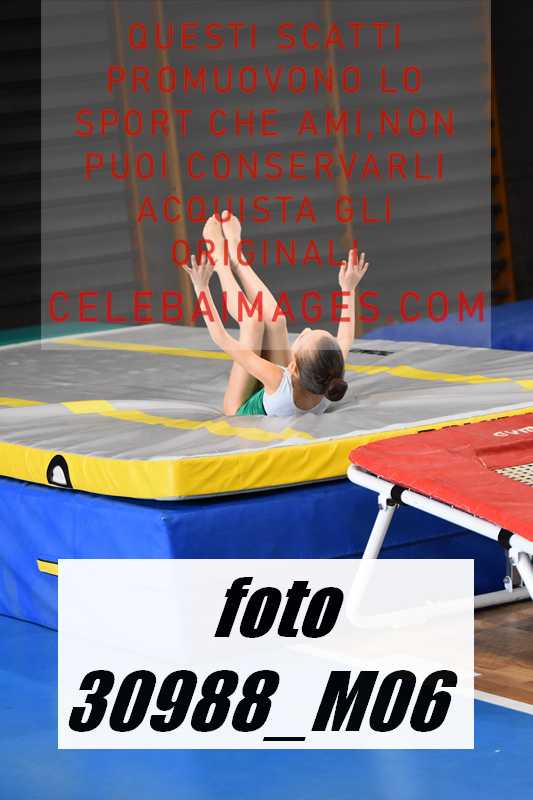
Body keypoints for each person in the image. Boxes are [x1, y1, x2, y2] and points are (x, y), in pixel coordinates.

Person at [183, 212, 369, 416]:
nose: (307, 329)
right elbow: (345, 337)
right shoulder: (329, 376)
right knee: (277, 320)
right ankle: (238, 258)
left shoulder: (278, 378)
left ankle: (221, 263)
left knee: (252, 323)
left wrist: (201, 288)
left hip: (238, 409)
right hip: (280, 390)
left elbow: (222, 338)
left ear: (293, 368)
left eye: (303, 336)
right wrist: (348, 289)